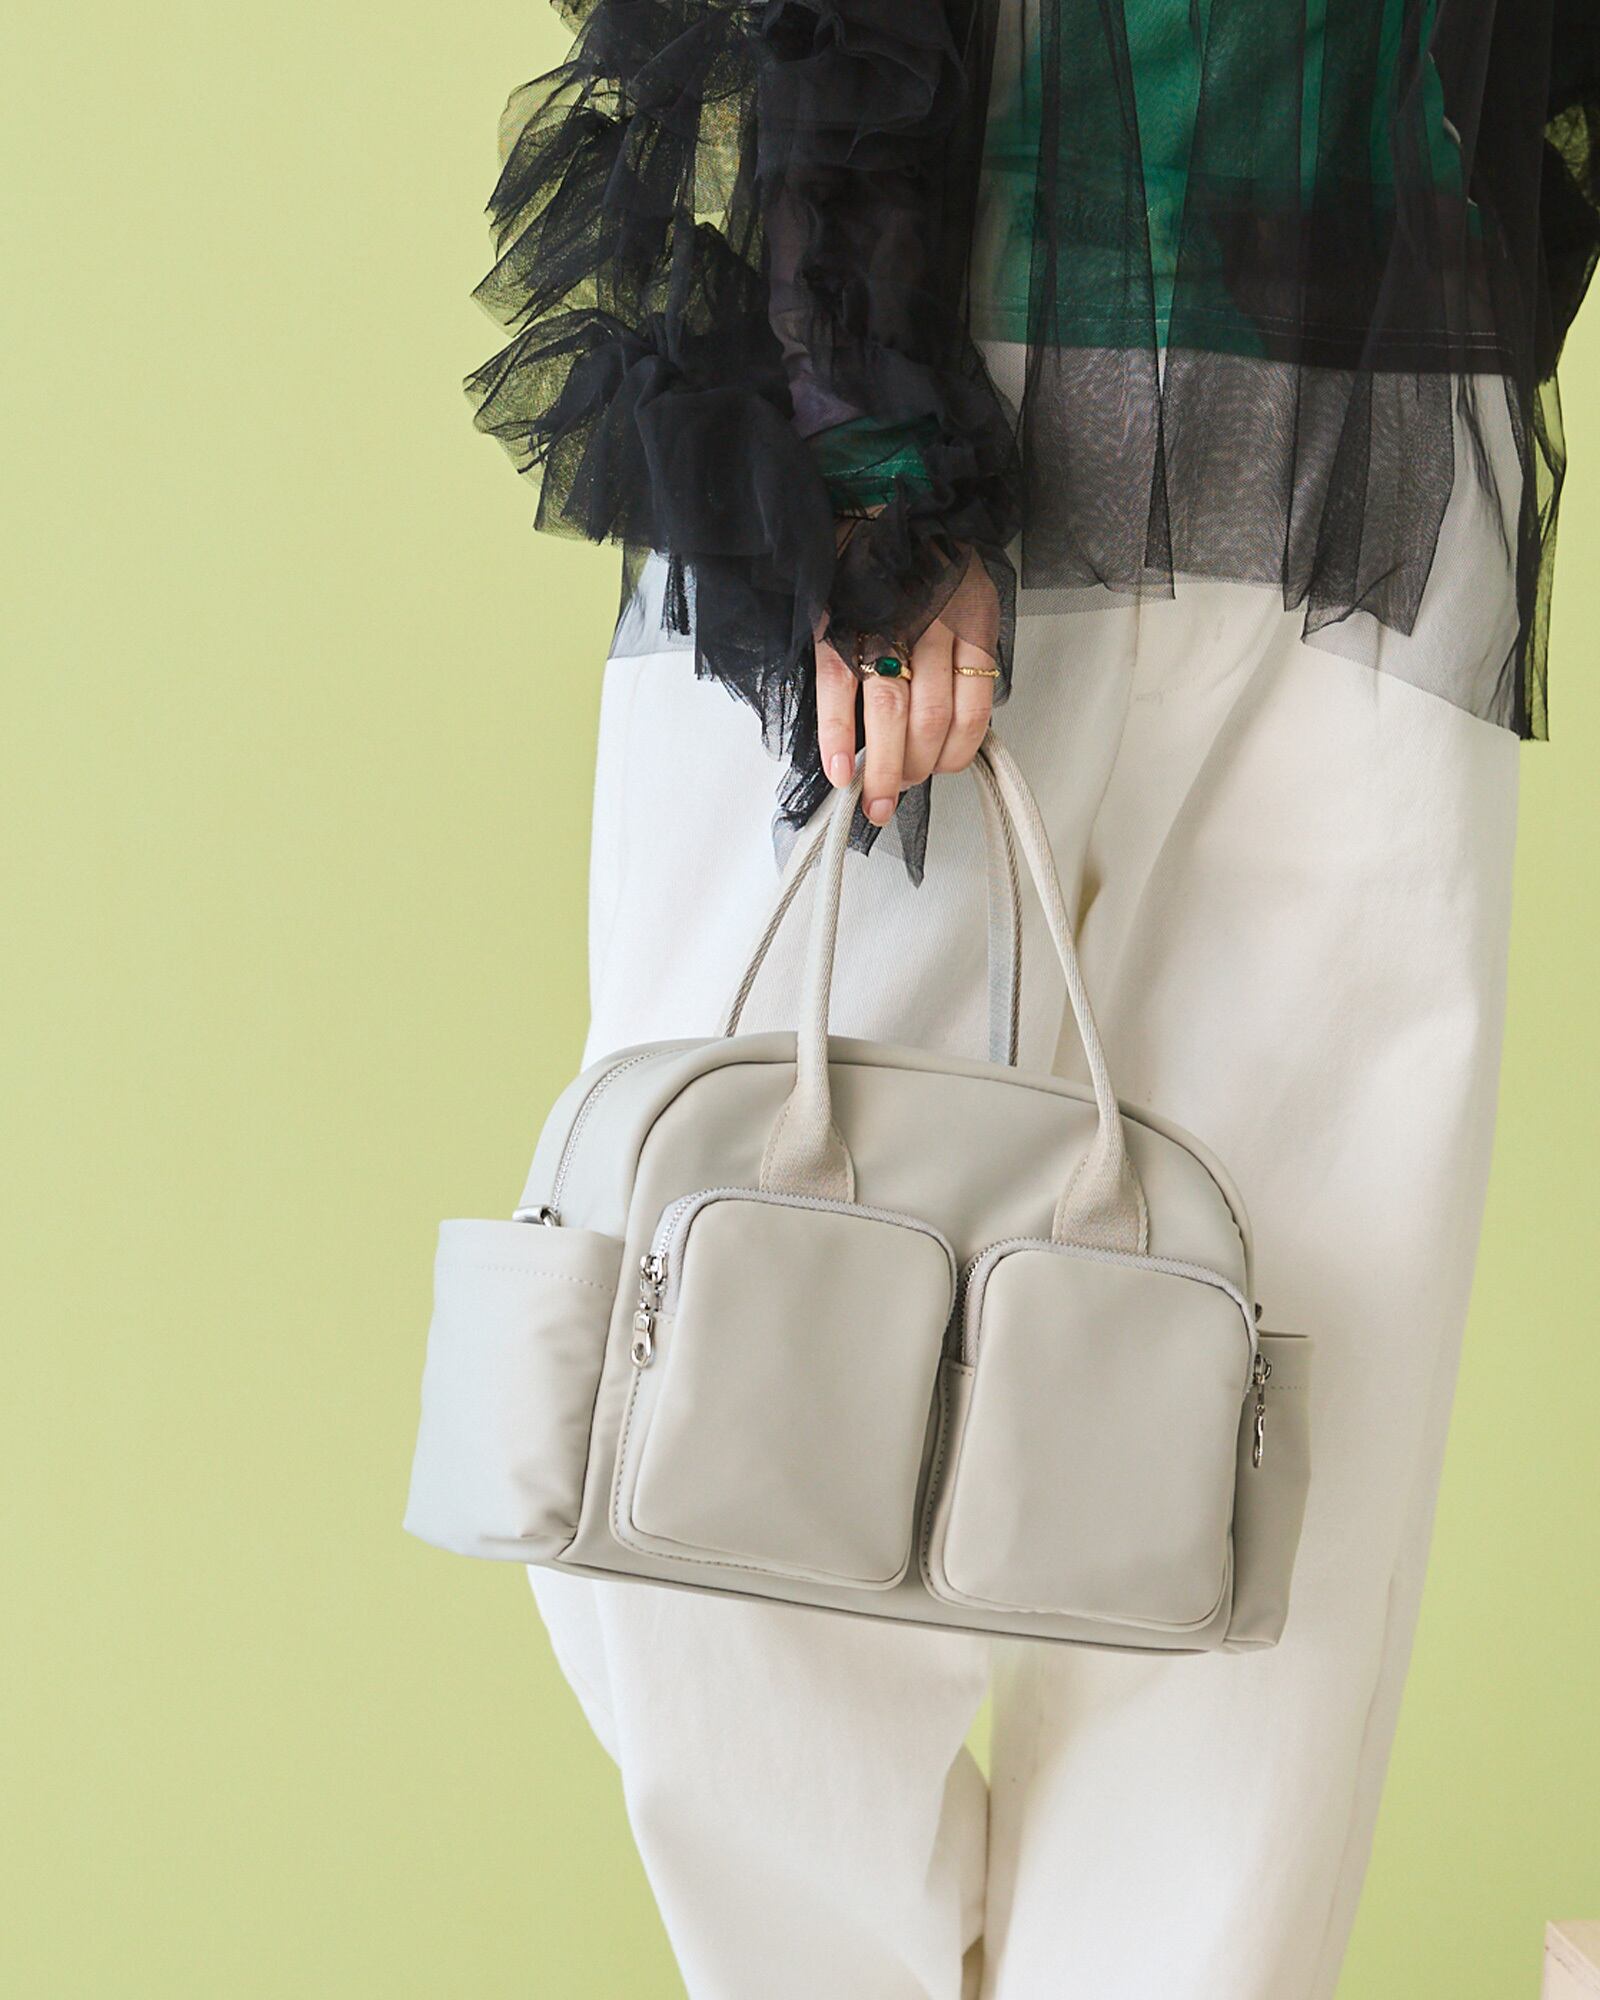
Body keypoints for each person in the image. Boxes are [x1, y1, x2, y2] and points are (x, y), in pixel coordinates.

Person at [463, 4, 1598, 1993]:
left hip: (1377, 353)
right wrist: (869, 441)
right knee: (709, 1335)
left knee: (1277, 1411)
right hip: (941, 313)